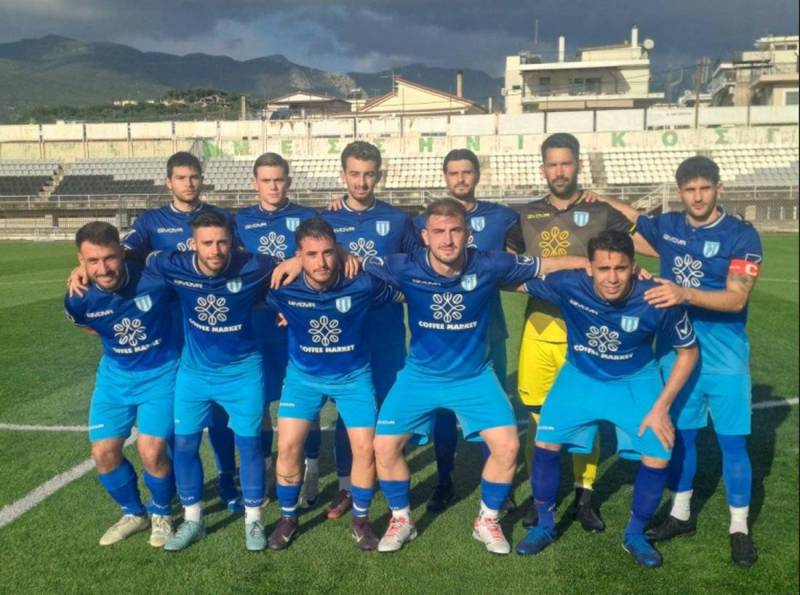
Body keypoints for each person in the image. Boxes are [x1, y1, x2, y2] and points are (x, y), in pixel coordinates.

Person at [363, 198, 585, 555]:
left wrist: (595, 265)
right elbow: (350, 262)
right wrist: (299, 260)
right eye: (439, 232)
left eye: (455, 231)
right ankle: (402, 518)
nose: (447, 239)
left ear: (468, 234)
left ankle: (487, 520)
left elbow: (545, 264)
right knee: (384, 446)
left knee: (508, 446)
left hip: (474, 377)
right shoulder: (404, 265)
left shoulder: (489, 264)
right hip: (420, 376)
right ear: (425, 236)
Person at [589, 156, 763, 567]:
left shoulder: (741, 235)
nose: (697, 197)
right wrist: (596, 197)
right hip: (676, 355)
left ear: (719, 189)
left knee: (733, 443)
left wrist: (683, 293)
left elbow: (737, 298)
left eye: (705, 188)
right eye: (689, 190)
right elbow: (633, 219)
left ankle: (739, 527)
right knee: (680, 438)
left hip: (725, 359)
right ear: (680, 191)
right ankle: (680, 514)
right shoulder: (669, 226)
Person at [515, 230, 698, 568]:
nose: (612, 278)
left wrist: (661, 407)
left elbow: (689, 352)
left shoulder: (657, 298)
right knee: (545, 443)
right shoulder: (569, 284)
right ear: (589, 268)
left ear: (634, 266)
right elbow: (513, 280)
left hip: (635, 381)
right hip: (579, 376)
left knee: (658, 454)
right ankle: (545, 525)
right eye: (603, 269)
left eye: (620, 268)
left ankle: (635, 534)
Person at [515, 132, 655, 531]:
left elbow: (648, 246)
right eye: (552, 164)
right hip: (540, 327)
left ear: (578, 165)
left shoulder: (600, 212)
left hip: (590, 333)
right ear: (542, 168)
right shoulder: (524, 215)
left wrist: (611, 203)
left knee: (587, 416)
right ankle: (540, 497)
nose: (559, 171)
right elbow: (508, 265)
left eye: (566, 163)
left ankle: (584, 495)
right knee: (537, 416)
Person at [145, 210, 283, 552]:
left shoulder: (255, 265)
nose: (216, 250)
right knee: (184, 445)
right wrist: (81, 269)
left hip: (242, 373)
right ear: (193, 244)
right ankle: (194, 520)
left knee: (249, 445)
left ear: (232, 242)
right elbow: (133, 261)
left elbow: (291, 266)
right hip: (194, 374)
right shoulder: (172, 264)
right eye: (207, 243)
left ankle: (253, 520)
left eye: (222, 242)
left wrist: (295, 264)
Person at [265, 217, 403, 551]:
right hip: (303, 379)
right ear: (298, 255)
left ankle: (361, 520)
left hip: (353, 378)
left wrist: (349, 254)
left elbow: (402, 284)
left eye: (328, 252)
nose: (322, 262)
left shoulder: (362, 283)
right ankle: (288, 517)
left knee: (365, 448)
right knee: (288, 446)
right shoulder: (282, 285)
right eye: (311, 255)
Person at [302, 141, 418, 519]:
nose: (361, 182)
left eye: (368, 174)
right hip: (344, 333)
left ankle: (385, 471)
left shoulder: (398, 220)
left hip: (386, 330)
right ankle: (346, 486)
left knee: (387, 405)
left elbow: (415, 268)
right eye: (354, 174)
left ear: (379, 175)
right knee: (347, 411)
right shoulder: (326, 220)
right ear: (343, 175)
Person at [120, 151, 242, 512]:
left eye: (194, 176)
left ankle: (227, 478)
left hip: (212, 325)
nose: (189, 183)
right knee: (178, 410)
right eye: (181, 177)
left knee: (219, 411)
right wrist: (83, 267)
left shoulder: (221, 218)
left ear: (202, 179)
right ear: (168, 182)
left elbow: (241, 259)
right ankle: (177, 482)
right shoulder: (150, 221)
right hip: (168, 327)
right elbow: (122, 253)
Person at [412, 148, 524, 513]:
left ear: (477, 174)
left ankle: (499, 485)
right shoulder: (422, 222)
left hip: (489, 328)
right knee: (444, 411)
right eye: (454, 173)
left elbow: (521, 256)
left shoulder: (502, 216)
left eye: (467, 172)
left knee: (495, 409)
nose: (460, 179)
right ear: (445, 177)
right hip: (440, 332)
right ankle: (444, 480)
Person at [64, 221, 181, 548]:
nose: (103, 269)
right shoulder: (78, 298)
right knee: (102, 451)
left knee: (151, 449)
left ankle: (162, 512)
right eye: (93, 261)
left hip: (161, 373)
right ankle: (133, 513)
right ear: (81, 261)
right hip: (115, 378)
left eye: (110, 258)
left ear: (122, 252)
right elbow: (89, 326)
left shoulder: (154, 278)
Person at [235, 152, 317, 497]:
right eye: (266, 180)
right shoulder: (239, 220)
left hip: (298, 320)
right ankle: (268, 466)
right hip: (256, 320)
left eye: (279, 180)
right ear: (255, 183)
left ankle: (312, 465)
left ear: (289, 182)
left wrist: (298, 259)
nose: (273, 187)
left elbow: (324, 254)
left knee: (304, 396)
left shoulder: (307, 217)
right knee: (261, 400)